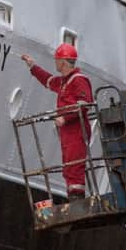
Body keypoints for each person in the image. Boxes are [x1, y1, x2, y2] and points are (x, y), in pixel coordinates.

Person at [21, 43, 92, 200]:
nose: (55, 62)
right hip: (68, 132)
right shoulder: (64, 81)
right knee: (68, 166)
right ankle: (72, 199)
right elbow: (48, 80)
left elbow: (85, 103)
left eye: (56, 59)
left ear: (62, 62)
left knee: (74, 166)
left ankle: (76, 201)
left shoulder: (78, 80)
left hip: (76, 131)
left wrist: (65, 117)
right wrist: (33, 67)